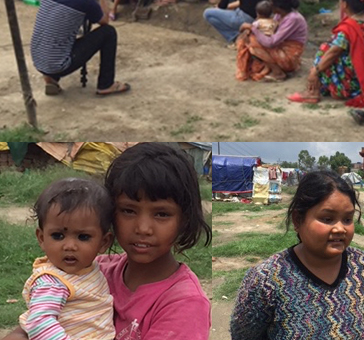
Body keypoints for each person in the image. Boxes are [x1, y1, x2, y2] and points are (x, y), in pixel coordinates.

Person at [3, 143, 212, 340]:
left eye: (162, 214)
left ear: (184, 219)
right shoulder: (92, 270)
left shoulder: (184, 304)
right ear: (109, 214)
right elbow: (30, 325)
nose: (143, 228)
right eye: (128, 210)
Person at [230, 170, 364, 339]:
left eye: (347, 219)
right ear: (298, 220)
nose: (340, 229)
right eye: (327, 219)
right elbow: (244, 335)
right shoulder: (266, 280)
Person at [19, 178, 115, 340]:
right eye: (58, 236)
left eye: (83, 237)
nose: (69, 246)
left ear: (103, 242)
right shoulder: (52, 281)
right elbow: (39, 323)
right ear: (42, 238)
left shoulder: (89, 270)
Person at [30, 0, 130, 96]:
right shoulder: (84, 2)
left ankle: (50, 78)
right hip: (60, 65)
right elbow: (105, 21)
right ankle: (106, 84)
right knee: (108, 32)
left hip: (38, 59)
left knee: (58, 37)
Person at [288, 0, 364, 107]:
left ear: (345, 4)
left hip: (359, 80)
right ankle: (323, 86)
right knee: (333, 50)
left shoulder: (349, 29)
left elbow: (333, 52)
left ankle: (312, 92)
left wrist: (315, 71)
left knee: (325, 50)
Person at [235, 0, 308, 82]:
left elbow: (271, 42)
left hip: (289, 54)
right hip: (281, 48)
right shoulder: (279, 15)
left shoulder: (293, 19)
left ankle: (278, 72)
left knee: (252, 41)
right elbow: (268, 31)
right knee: (249, 38)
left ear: (278, 5)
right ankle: (273, 67)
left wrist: (252, 28)